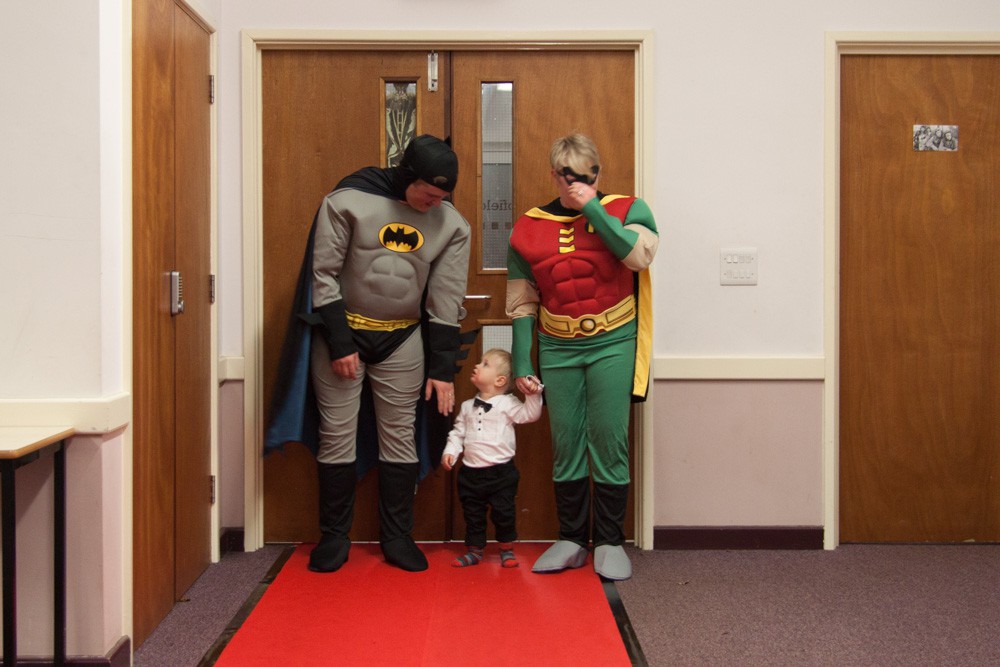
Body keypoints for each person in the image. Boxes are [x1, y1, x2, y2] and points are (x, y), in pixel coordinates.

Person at [303, 134, 471, 573]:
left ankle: (397, 536)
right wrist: (340, 342)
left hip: (402, 337)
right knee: (336, 433)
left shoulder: (452, 225)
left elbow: (446, 298)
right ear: (407, 175)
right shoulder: (348, 201)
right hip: (343, 332)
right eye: (429, 194)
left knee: (400, 435)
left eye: (443, 198)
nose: (435, 204)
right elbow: (323, 274)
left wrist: (442, 369)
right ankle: (334, 536)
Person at [506, 132, 658, 581]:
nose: (578, 183)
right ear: (554, 175)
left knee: (609, 439)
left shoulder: (629, 209)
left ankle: (609, 540)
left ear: (598, 173)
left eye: (588, 176)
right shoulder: (527, 226)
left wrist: (593, 207)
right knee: (567, 441)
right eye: (569, 176)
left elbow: (638, 257)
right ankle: (572, 538)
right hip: (557, 344)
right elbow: (521, 302)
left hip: (614, 339)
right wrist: (521, 362)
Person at [441, 349, 543, 568]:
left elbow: (530, 415)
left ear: (500, 380)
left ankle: (506, 548)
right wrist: (450, 451)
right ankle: (475, 550)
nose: (477, 366)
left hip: (501, 473)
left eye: (485, 364)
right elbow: (458, 433)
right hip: (470, 473)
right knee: (473, 514)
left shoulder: (507, 403)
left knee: (504, 513)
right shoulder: (467, 406)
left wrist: (533, 394)